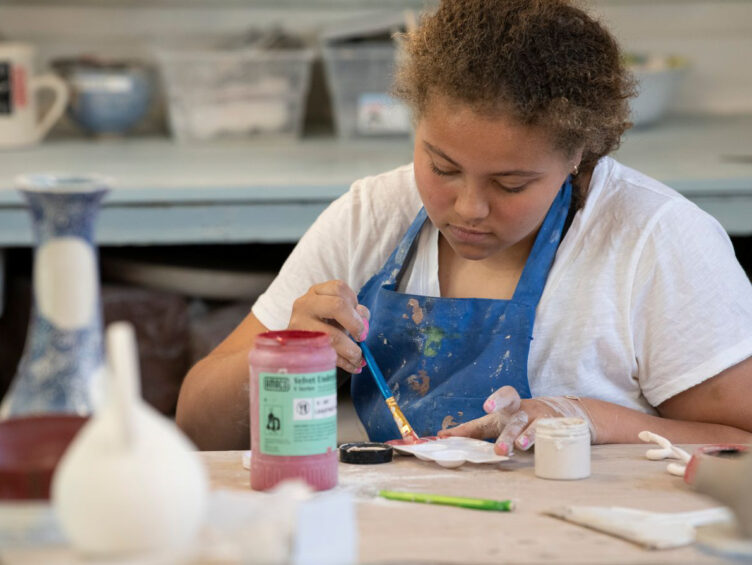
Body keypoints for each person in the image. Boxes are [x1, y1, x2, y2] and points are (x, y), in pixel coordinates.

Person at [176, 0, 752, 452]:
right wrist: (284, 359)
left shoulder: (654, 240)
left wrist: (586, 419)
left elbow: (740, 447)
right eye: (443, 167)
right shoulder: (369, 217)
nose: (469, 208)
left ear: (578, 151)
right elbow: (200, 432)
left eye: (511, 184)